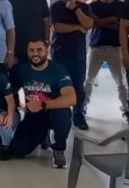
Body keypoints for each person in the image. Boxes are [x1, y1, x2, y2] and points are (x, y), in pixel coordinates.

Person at [8, 40, 77, 168]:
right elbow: (10, 92)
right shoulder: (21, 70)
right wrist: (18, 106)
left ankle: (58, 148)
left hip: (54, 113)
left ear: (47, 50)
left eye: (39, 49)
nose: (35, 54)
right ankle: (42, 136)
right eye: (31, 50)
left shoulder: (58, 70)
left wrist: (44, 105)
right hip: (34, 115)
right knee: (17, 151)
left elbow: (71, 98)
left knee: (63, 113)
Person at [50, 0, 93, 130]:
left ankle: (78, 115)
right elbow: (57, 27)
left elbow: (88, 24)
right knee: (57, 86)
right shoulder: (55, 7)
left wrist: (75, 8)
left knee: (78, 88)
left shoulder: (84, 7)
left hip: (78, 55)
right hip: (60, 55)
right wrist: (76, 27)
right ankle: (57, 114)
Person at [84, 0, 128, 118]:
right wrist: (111, 20)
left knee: (121, 81)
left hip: (116, 48)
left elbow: (122, 27)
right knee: (88, 80)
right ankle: (83, 107)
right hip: (95, 48)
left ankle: (126, 109)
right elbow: (93, 24)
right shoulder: (92, 6)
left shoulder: (121, 6)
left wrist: (101, 21)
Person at [6, 0, 50, 73]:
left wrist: (47, 42)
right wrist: (9, 52)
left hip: (36, 50)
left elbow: (46, 22)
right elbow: (5, 28)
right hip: (16, 50)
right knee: (14, 83)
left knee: (36, 84)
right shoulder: (8, 0)